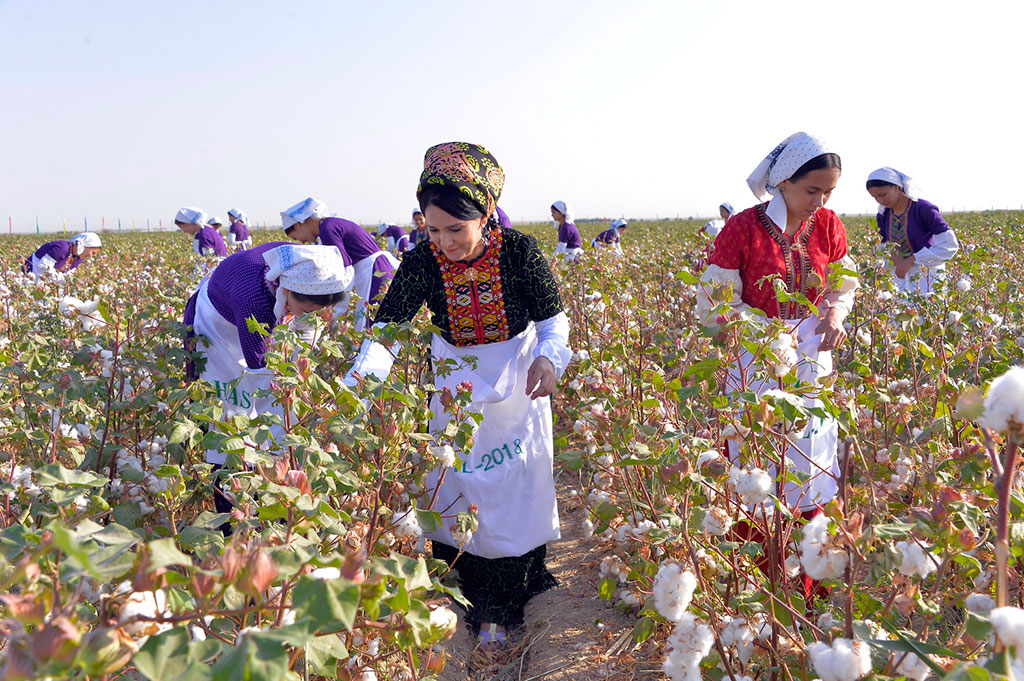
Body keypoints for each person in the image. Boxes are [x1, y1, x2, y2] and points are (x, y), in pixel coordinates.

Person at [347, 142, 571, 649]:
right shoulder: (423, 259)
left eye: (456, 229)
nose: (444, 241)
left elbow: (553, 324)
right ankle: (468, 597)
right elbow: (387, 330)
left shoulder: (520, 253)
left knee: (513, 480)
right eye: (433, 229)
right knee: (460, 480)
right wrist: (353, 392)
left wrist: (548, 359)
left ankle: (513, 597)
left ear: (486, 213)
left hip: (519, 377)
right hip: (454, 377)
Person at [696, 132, 859, 603]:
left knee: (812, 462)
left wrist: (832, 313)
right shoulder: (743, 229)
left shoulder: (828, 225)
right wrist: (765, 332)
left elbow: (843, 283)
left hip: (811, 355)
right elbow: (713, 306)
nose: (821, 200)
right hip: (755, 361)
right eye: (813, 190)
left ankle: (810, 582)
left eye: (829, 192)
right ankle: (760, 583)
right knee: (759, 462)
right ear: (784, 182)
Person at [183, 242, 352, 480]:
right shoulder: (254, 301)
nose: (309, 316)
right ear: (285, 291)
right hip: (218, 323)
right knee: (231, 408)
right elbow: (261, 371)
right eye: (304, 310)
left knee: (273, 397)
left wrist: (299, 367)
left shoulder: (305, 270)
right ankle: (231, 478)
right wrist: (282, 435)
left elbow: (304, 328)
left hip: (249, 302)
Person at [280, 198, 399, 331]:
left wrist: (335, 313)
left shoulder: (327, 229)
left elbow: (343, 274)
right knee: (371, 319)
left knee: (369, 324)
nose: (301, 242)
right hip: (375, 268)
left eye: (296, 237)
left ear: (299, 224)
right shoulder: (329, 225)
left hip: (373, 271)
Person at [866, 167, 959, 296]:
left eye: (883, 194)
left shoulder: (923, 209)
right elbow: (882, 245)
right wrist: (894, 258)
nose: (881, 201)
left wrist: (912, 260)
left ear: (897, 187)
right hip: (899, 275)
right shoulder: (883, 215)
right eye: (875, 197)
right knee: (899, 312)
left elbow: (949, 244)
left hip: (927, 275)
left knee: (926, 311)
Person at [22, 232, 102, 281]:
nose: (91, 256)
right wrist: (58, 280)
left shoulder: (78, 258)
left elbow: (68, 275)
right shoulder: (62, 248)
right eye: (93, 252)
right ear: (85, 245)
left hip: (47, 280)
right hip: (31, 272)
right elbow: (43, 266)